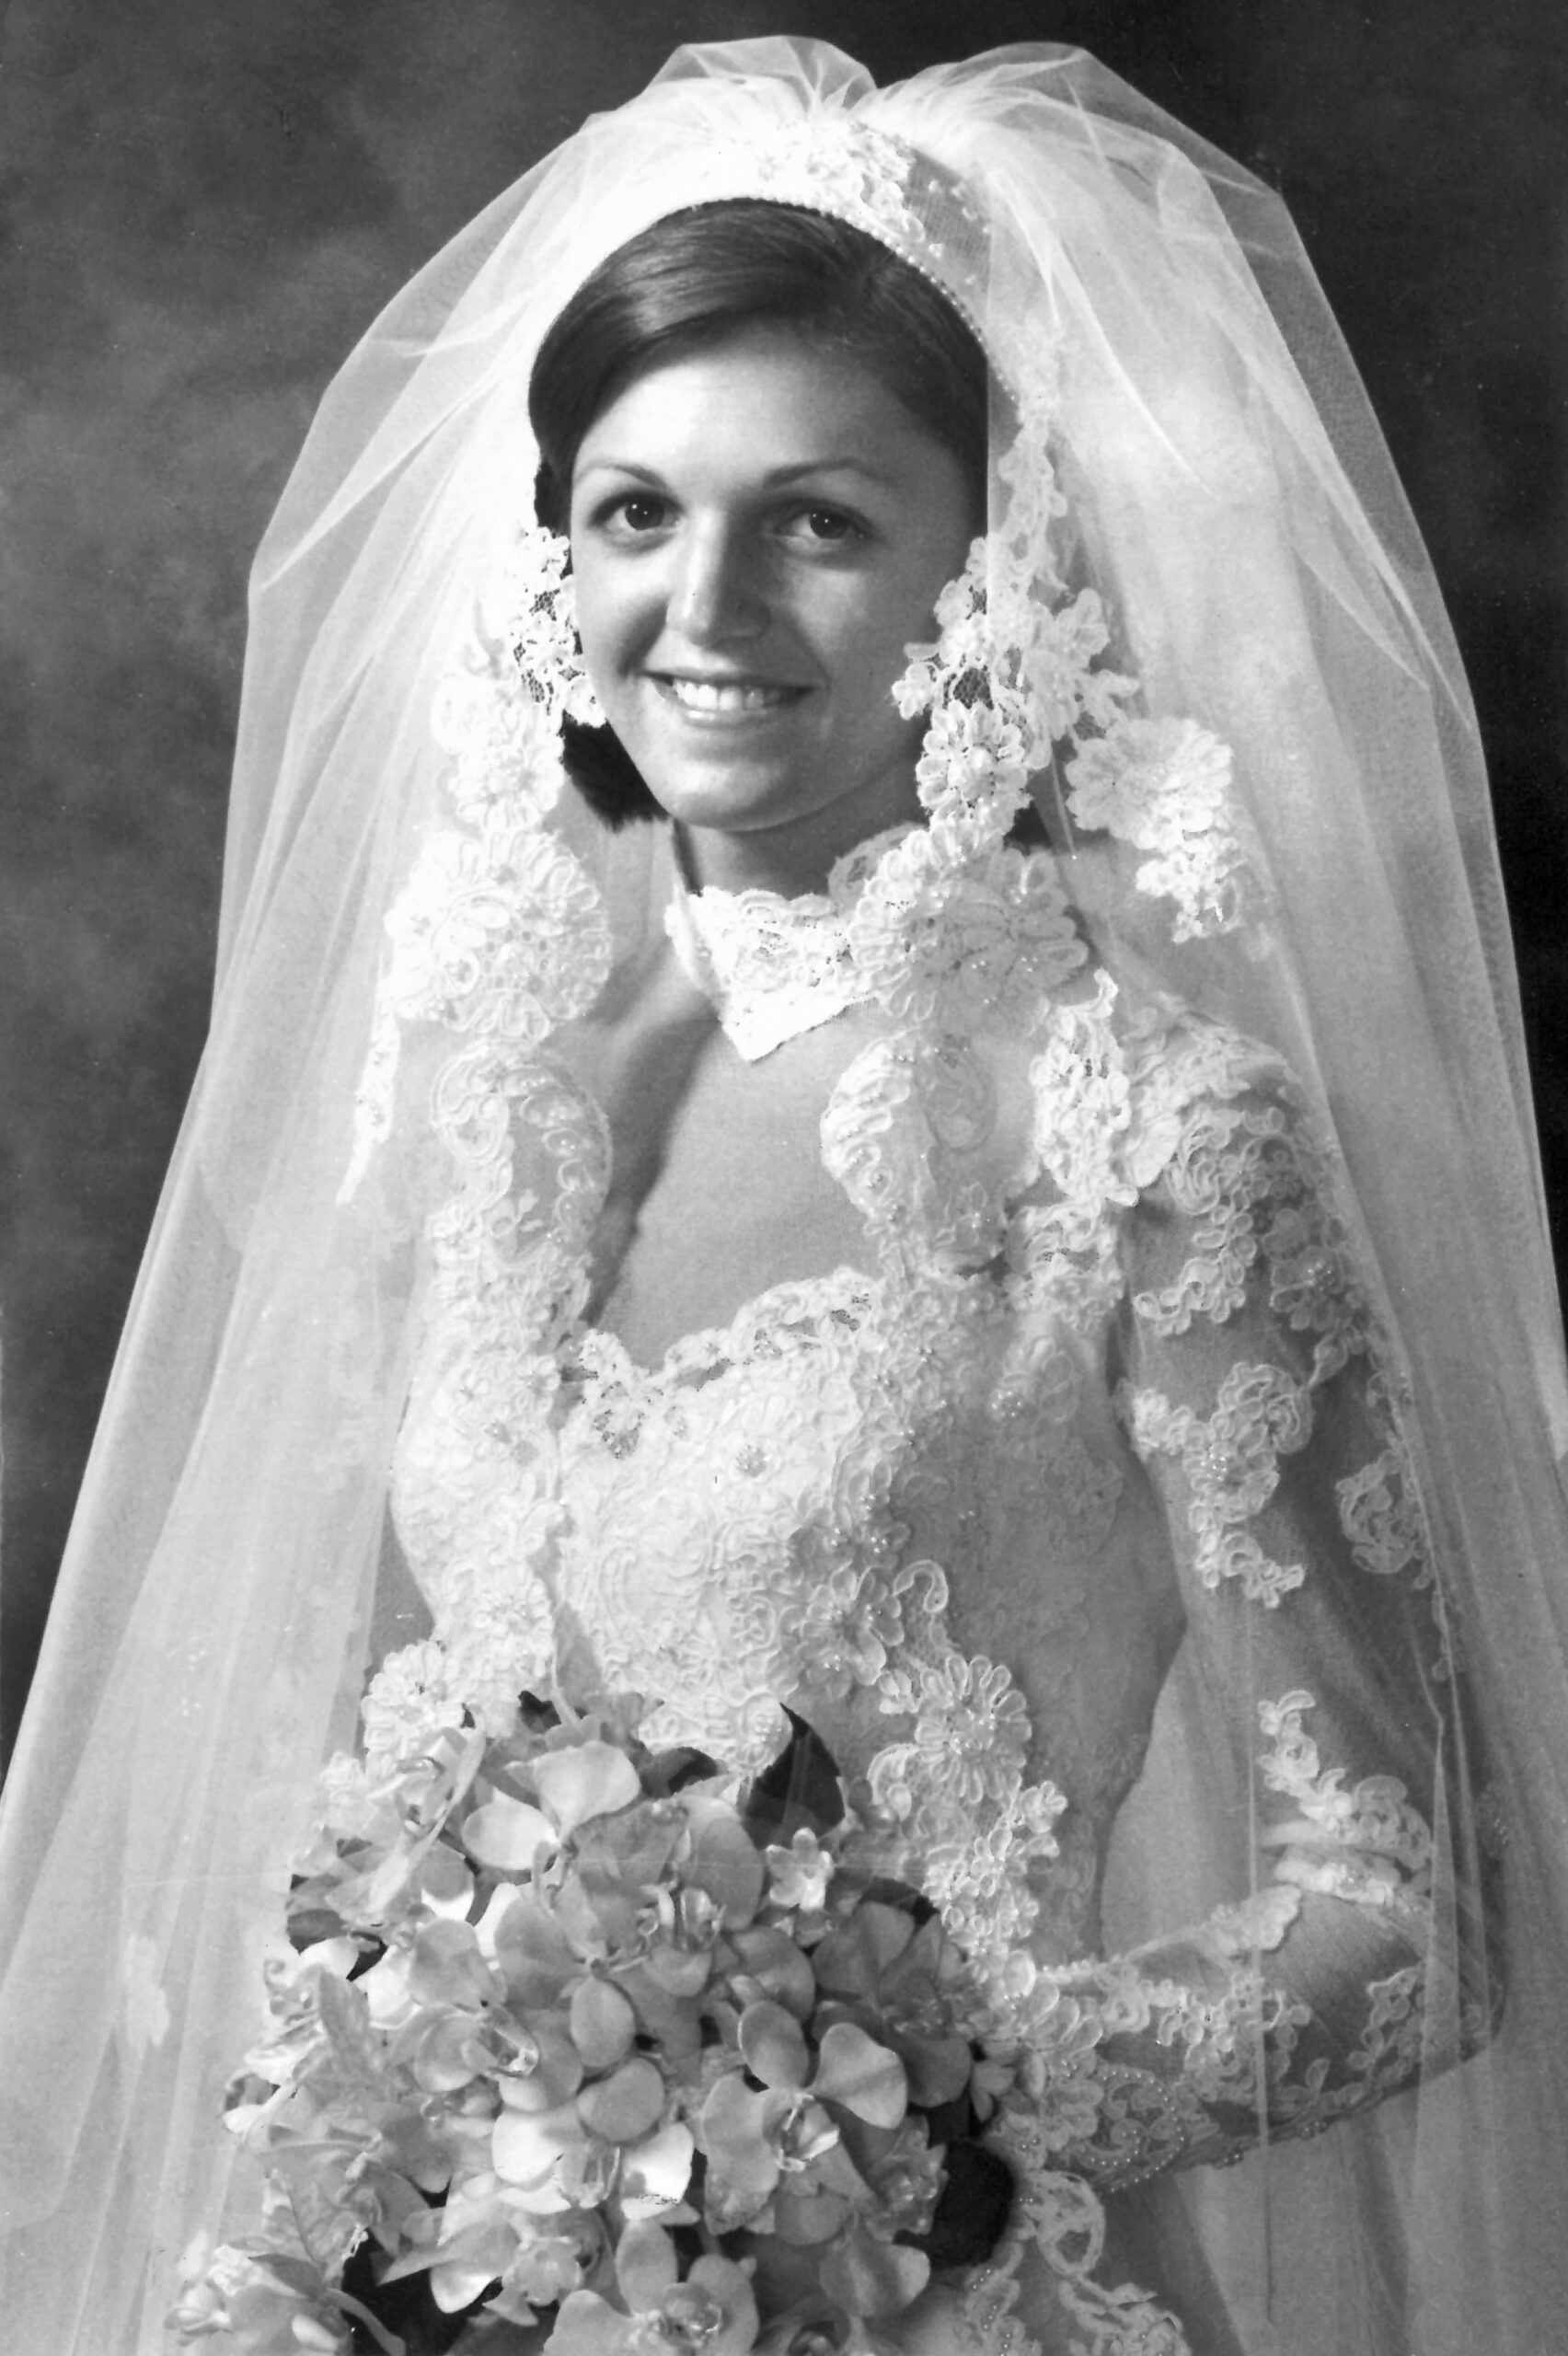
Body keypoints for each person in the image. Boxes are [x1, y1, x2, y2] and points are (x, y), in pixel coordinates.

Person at [1, 36, 1565, 2356]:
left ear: (989, 557)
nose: (705, 599)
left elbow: (1425, 1902)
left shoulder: (1142, 1126)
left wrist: (862, 2097)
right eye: (635, 511)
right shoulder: (479, 1087)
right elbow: (315, 1780)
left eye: (815, 517)